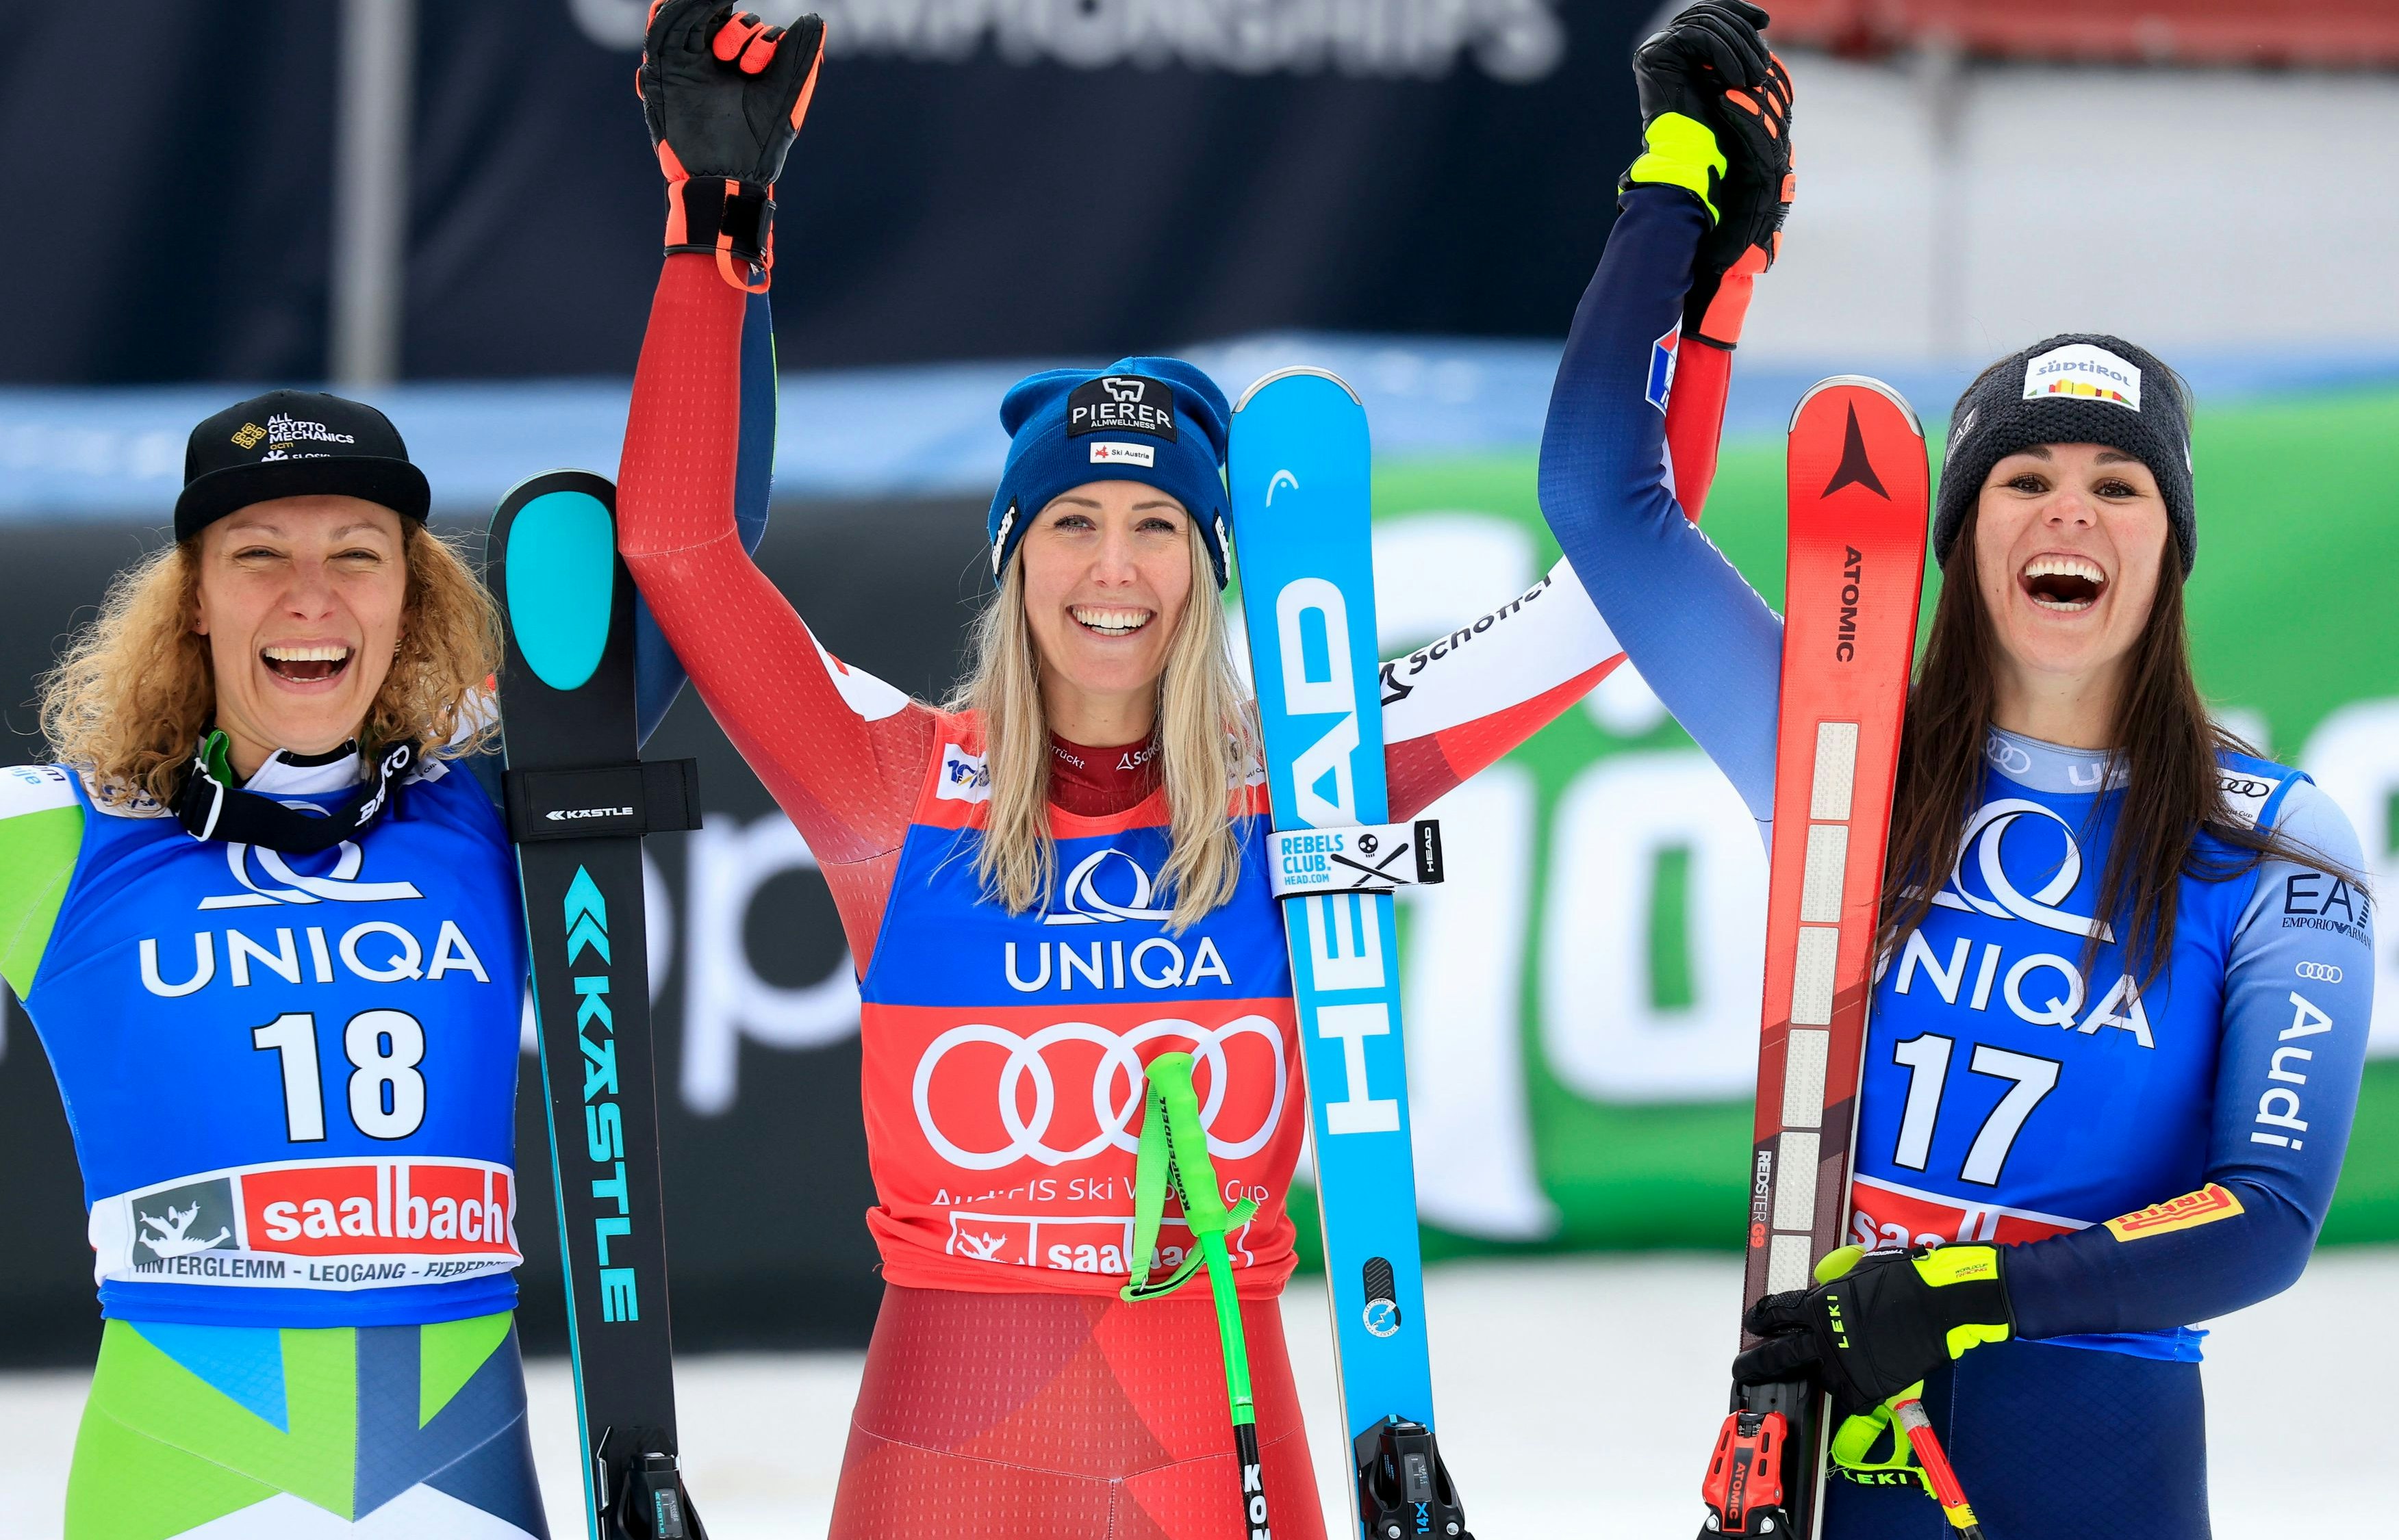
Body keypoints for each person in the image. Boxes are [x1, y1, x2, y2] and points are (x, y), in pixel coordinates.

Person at [614, 3, 1767, 1534]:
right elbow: (680, 549)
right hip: (946, 1457)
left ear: (1212, 569)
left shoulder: (1303, 783)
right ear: (1011, 560)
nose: (1114, 566)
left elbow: (1623, 565)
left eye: (1157, 524)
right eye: (1070, 523)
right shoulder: (889, 785)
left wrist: (1693, 243)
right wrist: (715, 219)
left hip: (1211, 1441)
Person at [0, 360, 771, 1532]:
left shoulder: (492, 787)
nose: (313, 596)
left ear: (414, 595)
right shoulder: (67, 831)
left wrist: (715, 235)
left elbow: (709, 542)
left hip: (463, 1472)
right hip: (188, 1470)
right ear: (192, 595)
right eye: (259, 554)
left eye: (359, 553)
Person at [1538, 5, 2377, 1536]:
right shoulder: (1838, 749)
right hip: (1834, 1439)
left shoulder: (2270, 841)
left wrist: (1959, 1290)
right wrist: (1684, 200)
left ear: (2165, 553)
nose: (2069, 515)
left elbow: (2261, 1218)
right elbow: (1601, 501)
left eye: (2116, 487)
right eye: (2023, 480)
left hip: (2090, 1444)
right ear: (1962, 536)